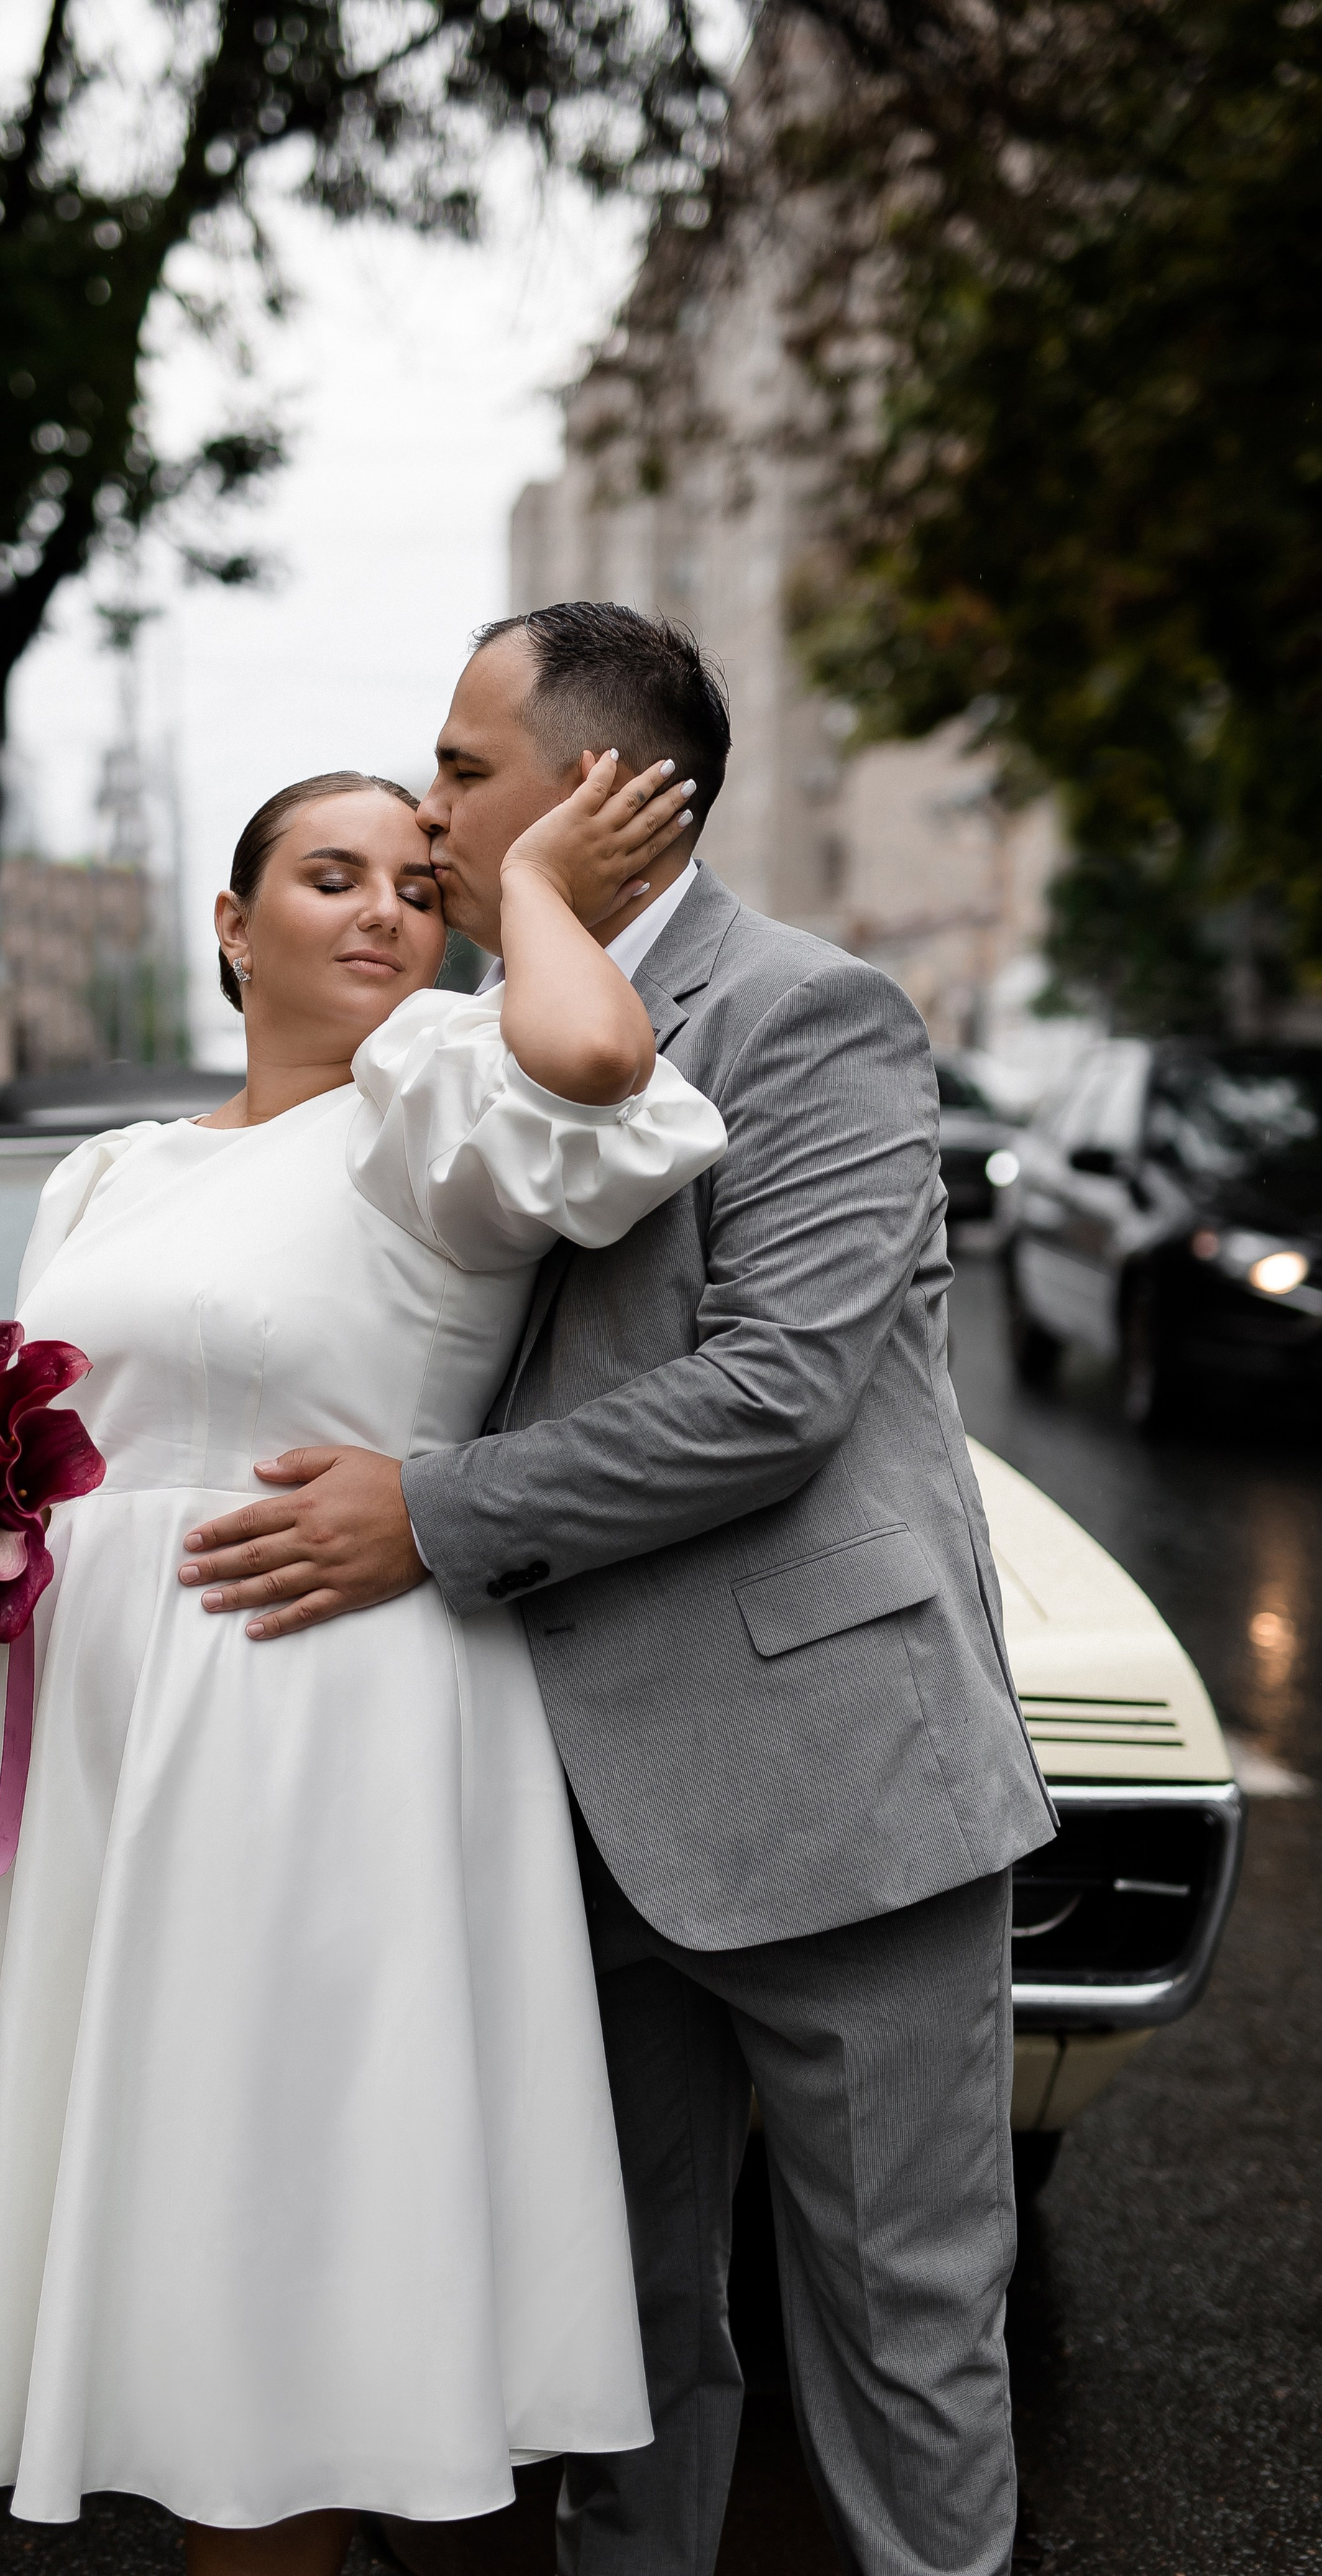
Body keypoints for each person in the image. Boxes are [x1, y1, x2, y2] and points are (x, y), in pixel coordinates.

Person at [178, 604, 1060, 2576]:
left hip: (837, 1793)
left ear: (598, 796)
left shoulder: (813, 1012)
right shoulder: (451, 1048)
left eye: (464, 772)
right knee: (618, 2355)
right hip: (551, 1811)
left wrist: (434, 1512)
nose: (427, 810)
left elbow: (778, 1392)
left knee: (908, 2339)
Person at [0, 757, 729, 2573]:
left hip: (318, 1722)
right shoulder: (113, 1170)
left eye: (416, 887)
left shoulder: (427, 1096)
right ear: (227, 921)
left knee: (298, 2229)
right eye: (328, 875)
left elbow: (595, 1066)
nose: (379, 910)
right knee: (179, 2221)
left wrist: (542, 902)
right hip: (113, 1746)